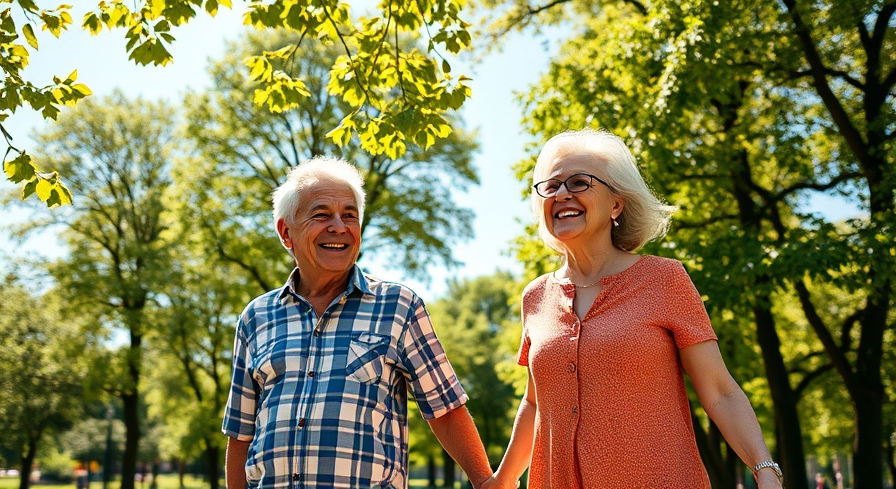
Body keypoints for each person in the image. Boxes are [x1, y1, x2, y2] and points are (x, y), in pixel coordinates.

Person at [482, 129, 784, 489]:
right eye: (551, 186)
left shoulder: (664, 278)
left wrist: (765, 469)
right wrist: (501, 482)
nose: (562, 194)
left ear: (616, 204)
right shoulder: (535, 297)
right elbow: (535, 404)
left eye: (579, 182)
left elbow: (720, 391)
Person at [222, 157, 493, 489]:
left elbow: (447, 411)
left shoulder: (398, 307)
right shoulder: (255, 317)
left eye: (349, 215)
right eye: (321, 214)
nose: (339, 226)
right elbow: (240, 435)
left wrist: (485, 481)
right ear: (285, 232)